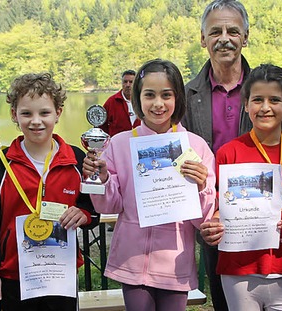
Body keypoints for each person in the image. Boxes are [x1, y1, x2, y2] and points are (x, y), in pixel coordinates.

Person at [182, 1, 282, 309]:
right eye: (216, 31)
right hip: (217, 217)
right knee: (227, 300)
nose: (225, 38)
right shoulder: (186, 96)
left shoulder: (266, 88)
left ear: (245, 36)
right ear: (203, 38)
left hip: (268, 217)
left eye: (233, 31)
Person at [83, 59, 216, 311]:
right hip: (132, 260)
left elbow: (204, 219)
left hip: (175, 261)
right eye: (149, 95)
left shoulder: (195, 146)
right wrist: (103, 180)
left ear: (178, 98)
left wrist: (200, 187)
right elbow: (111, 205)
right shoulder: (119, 144)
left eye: (167, 95)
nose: (158, 104)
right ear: (137, 99)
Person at [199, 64, 282, 310]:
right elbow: (218, 206)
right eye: (257, 100)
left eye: (274, 100)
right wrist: (214, 223)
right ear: (245, 105)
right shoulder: (228, 153)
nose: (265, 107)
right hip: (238, 270)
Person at [0, 73, 98, 310]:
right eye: (27, 113)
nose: (36, 121)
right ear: (14, 114)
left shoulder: (76, 159)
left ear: (58, 112)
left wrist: (82, 214)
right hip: (14, 275)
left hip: (59, 273)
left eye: (44, 113)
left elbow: (93, 209)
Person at [100, 70, 141, 137]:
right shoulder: (111, 102)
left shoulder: (143, 101)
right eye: (125, 82)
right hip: (118, 144)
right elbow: (101, 126)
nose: (128, 85)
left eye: (131, 82)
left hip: (140, 143)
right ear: (122, 83)